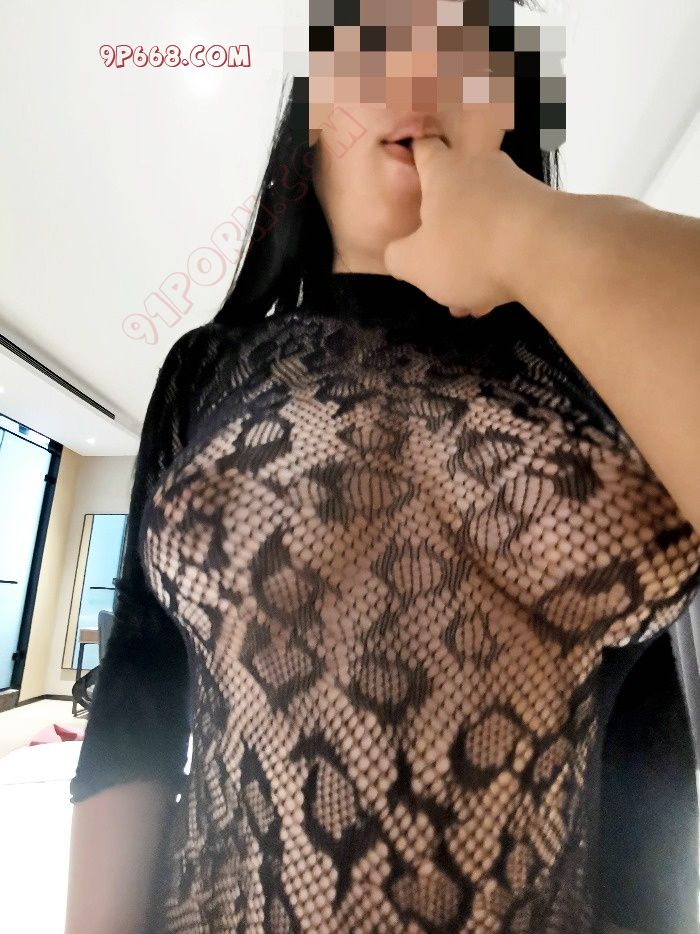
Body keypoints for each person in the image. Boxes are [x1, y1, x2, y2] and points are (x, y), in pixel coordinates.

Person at [65, 5, 700, 932]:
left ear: (514, 113)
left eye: (468, 48)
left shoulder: (615, 372)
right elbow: (137, 704)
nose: (420, 73)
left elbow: (653, 766)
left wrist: (521, 228)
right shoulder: (207, 370)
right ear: (312, 114)